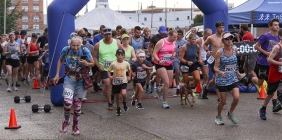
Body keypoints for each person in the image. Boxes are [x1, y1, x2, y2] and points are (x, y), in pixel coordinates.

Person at [54, 34, 94, 135]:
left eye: (77, 45)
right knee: (67, 103)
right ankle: (66, 121)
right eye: (73, 45)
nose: (75, 48)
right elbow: (60, 60)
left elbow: (92, 63)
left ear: (81, 45)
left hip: (81, 81)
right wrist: (57, 75)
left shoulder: (85, 51)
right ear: (70, 44)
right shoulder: (66, 50)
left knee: (77, 107)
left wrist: (86, 63)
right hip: (69, 79)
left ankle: (75, 126)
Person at [253, 18, 281, 113]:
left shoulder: (279, 38)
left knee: (273, 84)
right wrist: (266, 53)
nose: (277, 26)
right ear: (270, 26)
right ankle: (250, 78)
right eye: (275, 25)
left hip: (273, 65)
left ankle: (274, 104)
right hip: (263, 63)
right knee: (260, 83)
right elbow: (256, 46)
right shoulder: (265, 36)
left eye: (278, 24)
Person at [214, 32, 241, 125]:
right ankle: (218, 116)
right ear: (223, 41)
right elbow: (215, 67)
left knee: (236, 97)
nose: (229, 40)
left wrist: (237, 72)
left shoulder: (235, 50)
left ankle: (230, 113)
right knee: (223, 101)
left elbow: (235, 64)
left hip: (233, 77)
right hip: (222, 78)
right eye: (227, 39)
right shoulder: (219, 52)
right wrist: (220, 72)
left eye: (230, 38)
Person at [93, 27, 123, 110]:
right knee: (107, 83)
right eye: (106, 34)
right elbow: (94, 57)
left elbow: (122, 53)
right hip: (104, 68)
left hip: (116, 68)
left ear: (111, 34)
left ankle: (113, 96)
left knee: (117, 85)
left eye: (109, 34)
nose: (108, 36)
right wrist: (99, 66)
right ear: (103, 34)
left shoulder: (117, 43)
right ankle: (109, 102)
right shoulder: (98, 44)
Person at [259, 29, 282, 120]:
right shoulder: (277, 47)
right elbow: (269, 59)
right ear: (280, 37)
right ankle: (263, 109)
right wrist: (280, 63)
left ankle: (279, 100)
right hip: (275, 71)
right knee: (270, 93)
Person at [153, 30, 177, 109]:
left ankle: (159, 90)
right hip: (160, 64)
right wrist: (159, 60)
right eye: (174, 37)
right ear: (169, 35)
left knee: (169, 84)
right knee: (166, 82)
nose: (175, 38)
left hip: (169, 64)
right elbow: (154, 53)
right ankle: (165, 102)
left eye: (176, 37)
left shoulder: (174, 43)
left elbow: (174, 51)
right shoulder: (161, 42)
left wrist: (173, 55)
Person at [202, 21, 225, 101]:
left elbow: (231, 45)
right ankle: (219, 97)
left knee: (215, 78)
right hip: (214, 60)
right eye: (220, 27)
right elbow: (204, 44)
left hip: (224, 60)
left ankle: (206, 89)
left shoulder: (226, 37)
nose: (221, 29)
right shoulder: (211, 38)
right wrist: (207, 51)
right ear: (216, 28)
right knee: (217, 77)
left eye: (222, 27)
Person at [108, 48, 131, 116]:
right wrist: (110, 76)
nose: (120, 56)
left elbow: (129, 70)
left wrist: (129, 76)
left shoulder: (126, 63)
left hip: (124, 81)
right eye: (119, 55)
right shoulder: (113, 63)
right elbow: (109, 71)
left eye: (122, 55)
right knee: (117, 96)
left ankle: (124, 102)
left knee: (123, 93)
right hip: (116, 82)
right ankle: (118, 108)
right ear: (116, 55)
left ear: (124, 56)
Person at [148, 25, 167, 94]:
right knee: (159, 73)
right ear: (158, 31)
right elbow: (150, 47)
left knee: (164, 74)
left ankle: (153, 81)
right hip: (157, 57)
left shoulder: (167, 37)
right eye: (162, 32)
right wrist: (152, 55)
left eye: (164, 32)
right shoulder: (154, 37)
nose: (163, 34)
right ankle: (158, 87)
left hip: (165, 58)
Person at [197, 28, 212, 98]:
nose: (210, 36)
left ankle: (202, 93)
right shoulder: (200, 40)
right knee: (196, 78)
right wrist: (199, 59)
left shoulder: (209, 40)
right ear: (205, 34)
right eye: (208, 35)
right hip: (197, 59)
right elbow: (196, 51)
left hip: (204, 59)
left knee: (206, 76)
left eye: (211, 35)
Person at [174, 29, 188, 95]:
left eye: (180, 34)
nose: (179, 36)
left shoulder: (185, 42)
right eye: (178, 34)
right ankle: (177, 87)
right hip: (175, 58)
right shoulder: (174, 41)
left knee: (183, 73)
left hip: (182, 58)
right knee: (177, 72)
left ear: (182, 35)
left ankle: (183, 86)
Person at [141, 27, 153, 93]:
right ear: (144, 32)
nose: (147, 32)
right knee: (143, 71)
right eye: (146, 31)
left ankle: (148, 85)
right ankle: (143, 84)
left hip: (150, 57)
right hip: (144, 57)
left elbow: (154, 47)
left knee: (149, 72)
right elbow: (141, 48)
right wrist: (147, 50)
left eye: (148, 31)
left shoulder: (152, 38)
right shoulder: (142, 39)